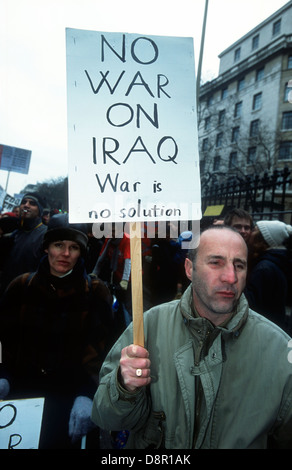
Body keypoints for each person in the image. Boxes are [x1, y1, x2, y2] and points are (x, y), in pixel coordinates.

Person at [92, 225, 292, 449]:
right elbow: (105, 417)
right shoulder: (149, 326)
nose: (231, 277)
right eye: (216, 262)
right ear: (189, 269)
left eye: (239, 265)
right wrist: (123, 387)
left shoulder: (280, 350)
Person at [0, 213, 114, 449]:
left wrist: (88, 393)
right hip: (20, 393)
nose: (65, 254)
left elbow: (105, 353)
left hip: (69, 399)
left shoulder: (95, 292)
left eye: (73, 247)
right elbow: (3, 339)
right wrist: (3, 375)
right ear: (46, 248)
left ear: (81, 252)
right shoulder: (21, 286)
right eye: (58, 245)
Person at [244, 220, 292, 334]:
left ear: (261, 239)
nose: (250, 232)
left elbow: (250, 304)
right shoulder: (277, 261)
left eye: (254, 229)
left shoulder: (264, 268)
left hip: (261, 330)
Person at [0, 192, 47, 295]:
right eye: (24, 202)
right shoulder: (14, 233)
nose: (26, 205)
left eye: (32, 203)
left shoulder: (45, 236)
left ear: (40, 211)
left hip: (27, 298)